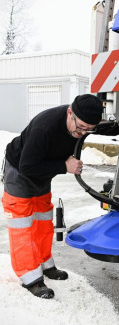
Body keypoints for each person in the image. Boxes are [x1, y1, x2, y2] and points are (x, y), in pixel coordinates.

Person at [1, 94, 103, 299]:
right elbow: (27, 166)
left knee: (42, 220)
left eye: (88, 130)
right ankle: (31, 278)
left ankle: (45, 264)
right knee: (22, 225)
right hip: (20, 170)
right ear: (69, 113)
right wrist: (64, 166)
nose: (82, 133)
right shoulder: (45, 127)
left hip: (42, 171)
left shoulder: (79, 122)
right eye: (81, 127)